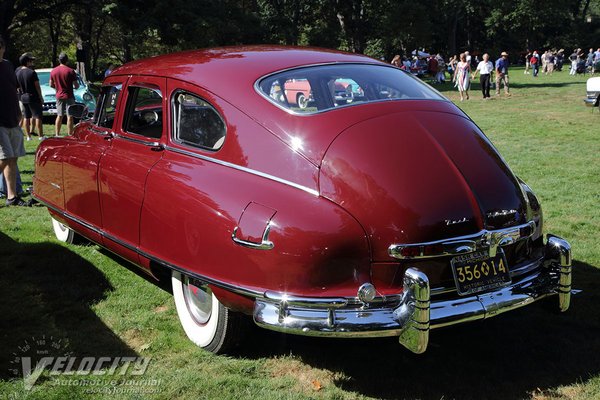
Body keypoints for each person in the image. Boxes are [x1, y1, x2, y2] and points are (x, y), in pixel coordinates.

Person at [0, 36, 30, 206]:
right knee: (4, 158)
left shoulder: (8, 65)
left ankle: (11, 197)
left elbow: (13, 89)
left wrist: (19, 112)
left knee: (12, 158)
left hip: (12, 117)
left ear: (3, 47)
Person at [15, 52, 45, 141]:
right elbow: (37, 86)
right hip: (33, 96)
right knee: (38, 116)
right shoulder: (32, 72)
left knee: (26, 117)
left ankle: (28, 136)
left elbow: (17, 86)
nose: (32, 62)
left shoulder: (17, 72)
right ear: (27, 62)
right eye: (30, 61)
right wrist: (40, 96)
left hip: (23, 96)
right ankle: (40, 136)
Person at [50, 52, 79, 136]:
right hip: (69, 95)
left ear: (59, 60)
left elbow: (51, 84)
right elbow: (76, 85)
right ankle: (70, 134)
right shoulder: (70, 71)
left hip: (59, 95)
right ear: (67, 61)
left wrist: (58, 88)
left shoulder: (53, 71)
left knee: (59, 115)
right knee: (70, 116)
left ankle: (57, 134)